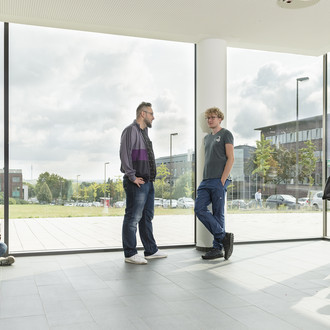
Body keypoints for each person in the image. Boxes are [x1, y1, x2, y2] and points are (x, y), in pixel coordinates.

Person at [119, 102, 167, 265]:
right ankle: (130, 253)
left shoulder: (144, 133)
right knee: (132, 217)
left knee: (147, 217)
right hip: (137, 182)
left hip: (148, 181)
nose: (153, 117)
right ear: (142, 114)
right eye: (151, 114)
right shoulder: (130, 131)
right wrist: (132, 177)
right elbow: (124, 155)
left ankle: (151, 250)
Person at [195, 107, 235, 260]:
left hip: (219, 180)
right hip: (206, 180)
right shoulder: (207, 138)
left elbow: (230, 158)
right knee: (199, 209)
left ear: (220, 118)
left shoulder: (226, 134)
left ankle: (217, 248)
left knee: (218, 214)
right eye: (208, 118)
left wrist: (222, 180)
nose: (209, 120)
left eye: (213, 117)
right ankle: (223, 236)